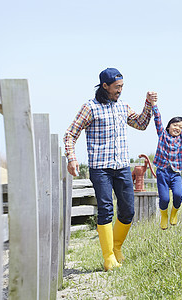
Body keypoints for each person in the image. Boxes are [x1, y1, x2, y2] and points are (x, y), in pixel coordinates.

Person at [63, 67, 157, 271]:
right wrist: (72, 158)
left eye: (122, 86)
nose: (120, 90)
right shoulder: (90, 108)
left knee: (128, 210)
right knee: (106, 209)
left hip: (122, 166)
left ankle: (116, 247)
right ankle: (108, 258)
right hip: (101, 168)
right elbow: (70, 134)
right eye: (117, 87)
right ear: (104, 86)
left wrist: (148, 104)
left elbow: (141, 124)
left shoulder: (123, 106)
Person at [152, 97, 182, 229]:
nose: (177, 128)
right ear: (168, 126)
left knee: (178, 195)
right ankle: (164, 215)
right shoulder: (162, 134)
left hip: (175, 173)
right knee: (165, 199)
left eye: (180, 126)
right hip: (162, 172)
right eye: (175, 125)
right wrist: (154, 104)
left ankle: (174, 212)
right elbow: (157, 118)